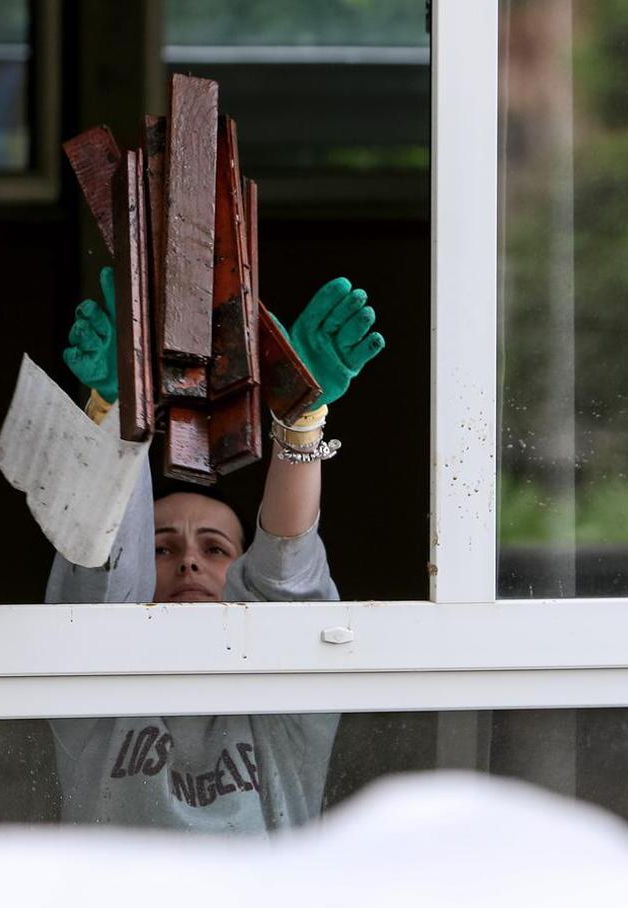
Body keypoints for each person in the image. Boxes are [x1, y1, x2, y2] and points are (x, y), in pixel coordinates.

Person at [44, 271, 385, 835]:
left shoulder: (283, 713)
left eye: (215, 547)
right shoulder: (96, 706)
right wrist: (109, 414)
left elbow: (288, 575)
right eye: (161, 546)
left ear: (246, 576)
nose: (189, 562)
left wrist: (300, 422)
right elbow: (97, 567)